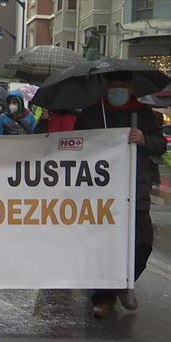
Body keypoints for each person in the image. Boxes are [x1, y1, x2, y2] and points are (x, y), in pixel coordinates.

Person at [75, 71, 167, 318]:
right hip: (100, 193)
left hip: (135, 189)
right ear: (106, 87)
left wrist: (143, 139)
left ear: (130, 87)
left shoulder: (144, 114)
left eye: (123, 85)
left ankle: (124, 283)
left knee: (143, 241)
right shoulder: (91, 114)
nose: (118, 89)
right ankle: (104, 296)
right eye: (113, 85)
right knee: (103, 244)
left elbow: (161, 145)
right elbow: (75, 146)